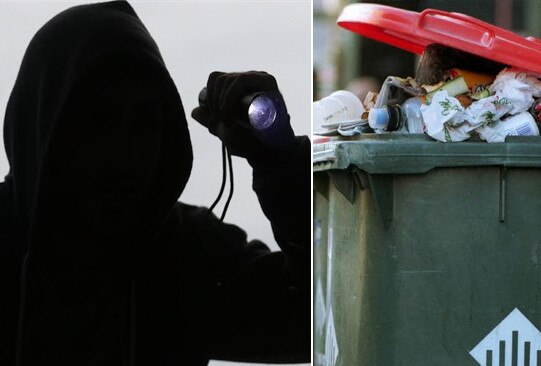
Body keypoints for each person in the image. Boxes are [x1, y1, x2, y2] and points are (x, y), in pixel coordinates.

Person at [0, 2, 310, 365]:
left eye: (144, 121)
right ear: (47, 123)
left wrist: (279, 162)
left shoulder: (186, 256)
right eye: (98, 121)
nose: (124, 150)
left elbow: (311, 318)